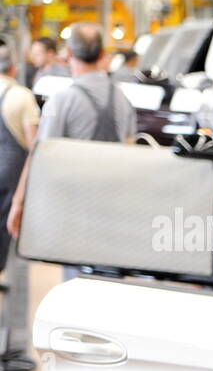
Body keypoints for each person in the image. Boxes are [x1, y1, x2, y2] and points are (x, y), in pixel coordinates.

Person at [6, 23, 136, 243]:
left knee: (75, 267)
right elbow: (130, 149)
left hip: (74, 204)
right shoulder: (123, 100)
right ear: (103, 55)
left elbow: (40, 155)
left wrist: (19, 202)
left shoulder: (60, 100)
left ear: (68, 55)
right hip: (115, 202)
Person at [0, 45, 39, 284]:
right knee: (8, 225)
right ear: (14, 68)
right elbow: (34, 143)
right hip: (11, 170)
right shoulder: (21, 95)